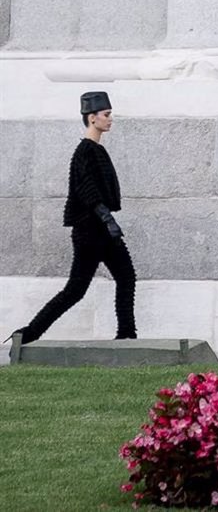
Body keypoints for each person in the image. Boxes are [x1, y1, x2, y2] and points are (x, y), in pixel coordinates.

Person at [10, 92, 137, 346]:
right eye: (106, 115)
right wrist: (106, 219)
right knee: (75, 290)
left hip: (101, 229)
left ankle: (126, 335)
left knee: (126, 277)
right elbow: (86, 190)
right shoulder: (84, 151)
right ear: (92, 118)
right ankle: (27, 335)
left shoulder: (96, 149)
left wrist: (108, 221)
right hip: (90, 232)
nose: (110, 119)